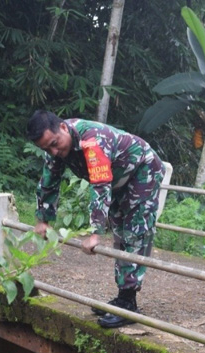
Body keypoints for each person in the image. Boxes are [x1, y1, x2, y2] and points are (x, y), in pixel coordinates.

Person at [27, 110, 165, 328]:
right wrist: (43, 220)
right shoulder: (54, 149)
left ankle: (128, 303)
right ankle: (123, 297)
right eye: (47, 149)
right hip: (118, 178)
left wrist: (95, 232)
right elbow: (48, 182)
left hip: (142, 169)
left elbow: (100, 184)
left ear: (63, 127)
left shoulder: (92, 139)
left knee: (134, 231)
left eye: (55, 143)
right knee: (121, 231)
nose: (54, 151)